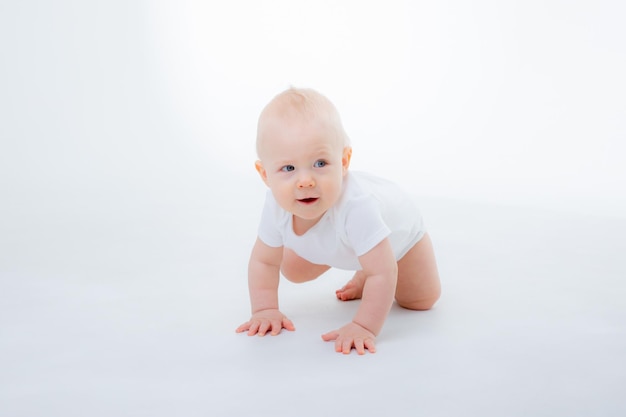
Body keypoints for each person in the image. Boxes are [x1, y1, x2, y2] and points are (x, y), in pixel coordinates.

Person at [236, 87, 441, 354]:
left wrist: (364, 326)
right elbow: (264, 260)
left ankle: (365, 269)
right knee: (292, 268)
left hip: (401, 238)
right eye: (288, 168)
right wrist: (264, 310)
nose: (306, 180)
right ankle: (363, 265)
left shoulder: (357, 207)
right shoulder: (276, 204)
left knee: (420, 300)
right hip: (353, 242)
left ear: (344, 161)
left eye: (320, 163)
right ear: (264, 174)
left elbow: (385, 271)